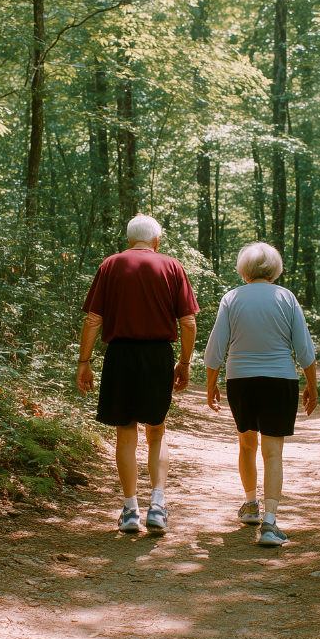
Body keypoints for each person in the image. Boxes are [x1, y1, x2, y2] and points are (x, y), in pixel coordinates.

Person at [76, 214, 199, 534]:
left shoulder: (110, 265)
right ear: (156, 241)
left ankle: (130, 510)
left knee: (125, 433)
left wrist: (84, 362)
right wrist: (184, 363)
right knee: (156, 432)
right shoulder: (172, 266)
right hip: (158, 355)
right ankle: (157, 506)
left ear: (129, 240)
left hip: (120, 356)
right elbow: (188, 323)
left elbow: (92, 320)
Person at [203, 242, 318, 547]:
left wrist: (210, 384)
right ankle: (270, 523)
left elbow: (216, 349)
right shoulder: (286, 297)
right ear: (275, 268)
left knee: (246, 443)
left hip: (241, 380)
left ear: (245, 269)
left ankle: (251, 504)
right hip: (280, 380)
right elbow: (304, 349)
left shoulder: (232, 298)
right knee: (273, 452)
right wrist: (312, 386)